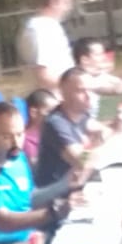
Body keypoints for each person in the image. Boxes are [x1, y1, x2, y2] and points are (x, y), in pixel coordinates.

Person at [0, 100, 72, 244]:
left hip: (30, 238)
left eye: (19, 134)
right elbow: (4, 221)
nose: (16, 143)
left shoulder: (18, 158)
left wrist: (65, 184)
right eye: (6, 137)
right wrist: (54, 212)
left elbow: (30, 198)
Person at [34, 67, 105, 196]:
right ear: (63, 94)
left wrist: (116, 126)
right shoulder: (55, 123)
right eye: (81, 91)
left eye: (91, 90)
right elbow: (81, 161)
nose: (89, 96)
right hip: (56, 196)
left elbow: (103, 131)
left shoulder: (81, 114)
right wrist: (95, 145)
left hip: (78, 184)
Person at [16, 0, 76, 91]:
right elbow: (44, 76)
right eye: (66, 2)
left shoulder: (45, 26)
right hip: (51, 98)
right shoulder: (42, 28)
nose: (69, 8)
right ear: (54, 2)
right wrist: (79, 86)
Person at [22, 88, 58, 168]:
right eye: (50, 112)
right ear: (33, 113)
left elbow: (80, 162)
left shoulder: (54, 134)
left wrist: (86, 147)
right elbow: (37, 168)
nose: (56, 116)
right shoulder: (27, 140)